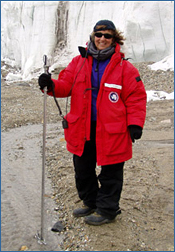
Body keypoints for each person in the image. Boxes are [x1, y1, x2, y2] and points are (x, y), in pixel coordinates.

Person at [38, 20, 147, 226]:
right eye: (99, 35)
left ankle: (107, 209)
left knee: (111, 171)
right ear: (92, 36)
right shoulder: (78, 63)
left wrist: (135, 124)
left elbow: (136, 97)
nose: (102, 39)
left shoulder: (125, 67)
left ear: (114, 39)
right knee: (82, 168)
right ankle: (91, 202)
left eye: (107, 36)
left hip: (112, 130)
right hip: (82, 127)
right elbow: (65, 85)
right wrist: (50, 84)